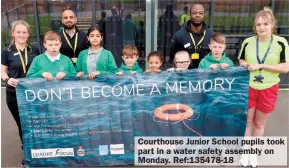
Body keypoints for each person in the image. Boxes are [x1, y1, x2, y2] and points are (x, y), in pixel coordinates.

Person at [238, 7, 289, 168]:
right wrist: (245, 64)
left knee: (259, 124)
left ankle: (254, 155)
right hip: (249, 87)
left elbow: (286, 67)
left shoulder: (281, 42)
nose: (261, 27)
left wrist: (262, 65)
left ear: (272, 24)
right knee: (247, 123)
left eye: (265, 23)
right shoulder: (248, 42)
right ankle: (245, 154)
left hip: (269, 88)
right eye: (258, 24)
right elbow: (241, 60)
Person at [1, 20, 40, 166]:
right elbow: (2, 71)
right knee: (22, 124)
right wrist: (7, 79)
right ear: (13, 33)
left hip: (33, 94)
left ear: (28, 34)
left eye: (24, 32)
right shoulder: (6, 51)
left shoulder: (34, 50)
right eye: (18, 32)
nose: (21, 35)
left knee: (36, 123)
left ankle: (39, 150)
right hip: (14, 93)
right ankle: (28, 152)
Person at [169, 4, 214, 69]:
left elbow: (217, 55)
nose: (197, 15)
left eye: (200, 13)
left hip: (205, 74)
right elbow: (172, 58)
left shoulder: (211, 35)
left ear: (204, 15)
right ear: (190, 14)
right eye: (194, 13)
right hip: (185, 75)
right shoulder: (178, 36)